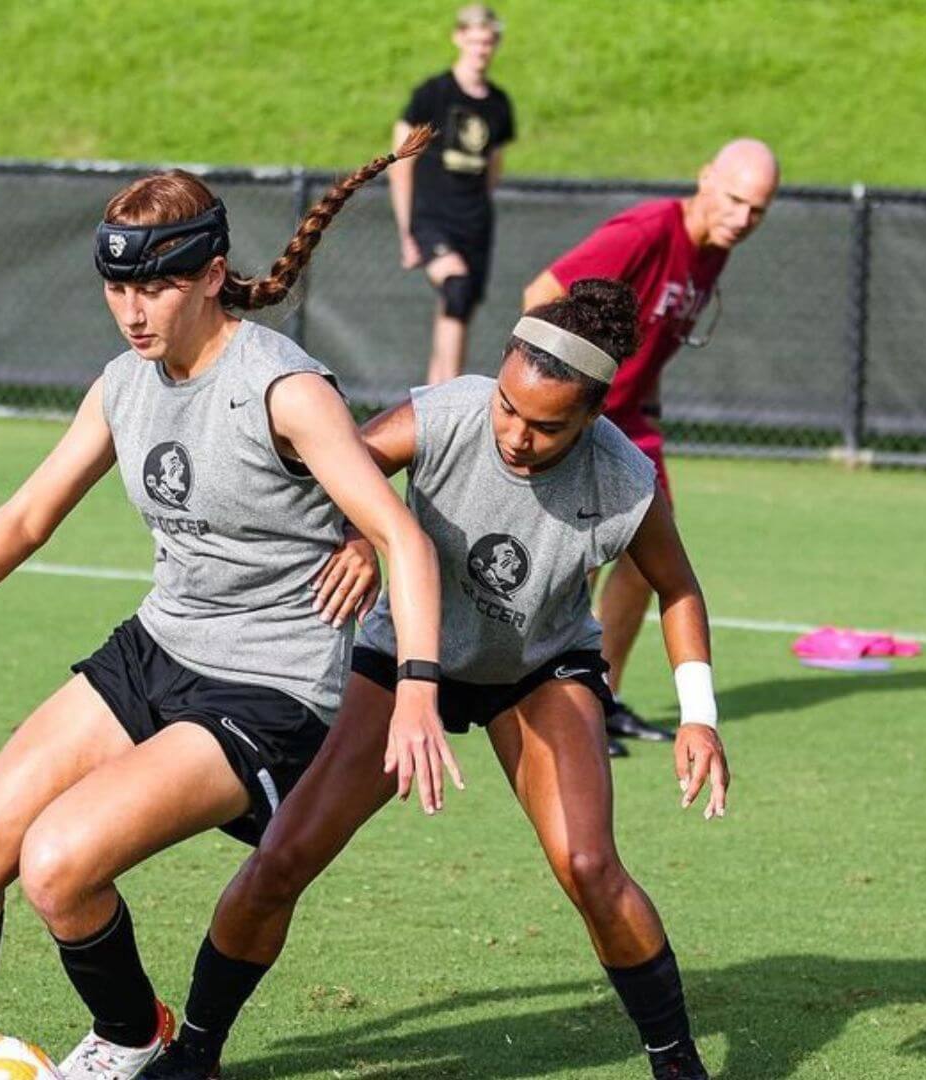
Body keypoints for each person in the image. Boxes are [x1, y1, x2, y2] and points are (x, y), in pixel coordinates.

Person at [0, 129, 461, 1080]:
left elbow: (402, 538)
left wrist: (420, 690)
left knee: (59, 865)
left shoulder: (283, 387)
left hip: (269, 685)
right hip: (157, 647)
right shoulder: (122, 385)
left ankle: (139, 1036)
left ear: (212, 274)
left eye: (156, 288)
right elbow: (27, 514)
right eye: (117, 289)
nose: (133, 313)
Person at [145, 279, 732, 1080]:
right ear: (499, 375)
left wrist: (698, 714)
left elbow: (679, 588)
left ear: (594, 416)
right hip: (407, 656)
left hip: (537, 667)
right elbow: (342, 465)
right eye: (511, 409)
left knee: (590, 866)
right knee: (283, 856)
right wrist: (357, 534)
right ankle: (196, 1052)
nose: (518, 435)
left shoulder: (625, 478)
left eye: (548, 425)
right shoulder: (451, 411)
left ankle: (677, 1063)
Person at [523, 138, 779, 750]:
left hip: (631, 418)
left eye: (758, 211)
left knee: (648, 555)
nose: (742, 219)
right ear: (705, 179)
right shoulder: (644, 230)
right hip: (586, 413)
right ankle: (544, 694)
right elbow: (541, 294)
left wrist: (646, 404)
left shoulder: (712, 249)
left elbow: (656, 337)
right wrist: (567, 402)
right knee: (576, 556)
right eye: (735, 200)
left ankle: (598, 695)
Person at [389, 3, 515, 385]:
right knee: (456, 289)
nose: (482, 49)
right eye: (475, 41)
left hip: (474, 221)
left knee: (457, 310)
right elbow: (401, 162)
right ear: (459, 39)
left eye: (489, 42)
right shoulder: (433, 95)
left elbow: (493, 165)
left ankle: (433, 400)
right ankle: (449, 395)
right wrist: (407, 231)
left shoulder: (498, 104)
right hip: (432, 218)